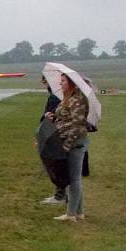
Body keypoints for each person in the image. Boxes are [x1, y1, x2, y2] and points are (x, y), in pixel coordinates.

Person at [44, 73, 89, 221]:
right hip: (66, 140)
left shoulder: (77, 100)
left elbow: (77, 125)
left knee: (72, 180)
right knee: (72, 178)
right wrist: (53, 116)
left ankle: (71, 214)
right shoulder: (68, 98)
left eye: (63, 81)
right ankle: (79, 212)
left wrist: (66, 146)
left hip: (74, 143)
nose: (60, 83)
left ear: (71, 83)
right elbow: (66, 118)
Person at [38, 75, 68, 205]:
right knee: (57, 165)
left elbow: (53, 116)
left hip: (54, 133)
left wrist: (46, 117)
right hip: (55, 132)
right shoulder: (57, 95)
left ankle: (60, 195)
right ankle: (61, 194)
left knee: (55, 165)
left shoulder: (55, 97)